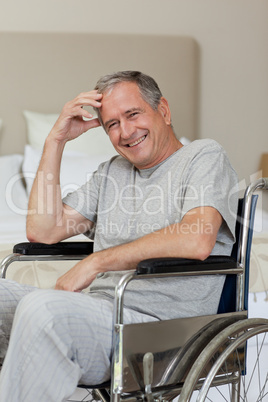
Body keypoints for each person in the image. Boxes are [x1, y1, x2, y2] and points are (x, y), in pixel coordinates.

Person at [0, 71, 238, 401]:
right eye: (112, 124)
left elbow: (196, 238)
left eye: (133, 114)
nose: (125, 132)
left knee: (44, 310)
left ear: (164, 110)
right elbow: (43, 230)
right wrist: (56, 140)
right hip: (97, 315)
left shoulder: (202, 156)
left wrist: (96, 262)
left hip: (159, 330)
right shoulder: (112, 171)